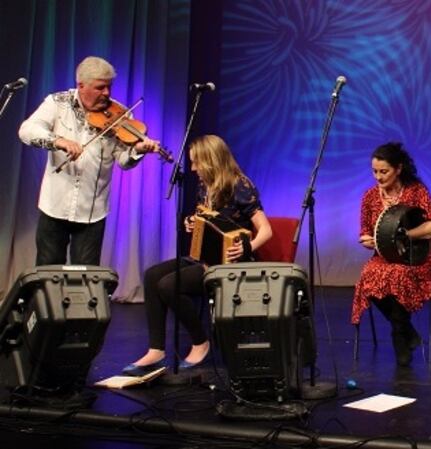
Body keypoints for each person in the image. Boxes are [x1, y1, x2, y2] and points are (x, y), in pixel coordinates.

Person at [122, 134, 272, 375]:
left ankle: (200, 342)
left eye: (196, 163)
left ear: (211, 160)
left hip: (229, 263)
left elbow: (266, 230)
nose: (192, 169)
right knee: (152, 276)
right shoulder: (205, 185)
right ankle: (156, 349)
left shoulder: (240, 185)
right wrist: (193, 222)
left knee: (169, 285)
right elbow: (206, 218)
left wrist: (247, 247)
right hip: (203, 258)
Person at [18, 56, 160, 266]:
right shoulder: (57, 103)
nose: (107, 94)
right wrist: (59, 141)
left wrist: (137, 151)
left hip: (93, 212)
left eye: (109, 87)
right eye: (100, 88)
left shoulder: (120, 114)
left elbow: (123, 160)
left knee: (84, 277)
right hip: (54, 206)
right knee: (48, 274)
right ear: (81, 85)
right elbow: (27, 130)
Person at [352, 142, 431, 366]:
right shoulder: (370, 197)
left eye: (384, 171)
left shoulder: (416, 191)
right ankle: (407, 332)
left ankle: (398, 339)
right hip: (383, 257)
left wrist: (404, 235)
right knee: (368, 278)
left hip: (415, 258)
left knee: (398, 276)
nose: (378, 177)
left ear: (398, 169)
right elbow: (364, 234)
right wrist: (371, 241)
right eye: (375, 171)